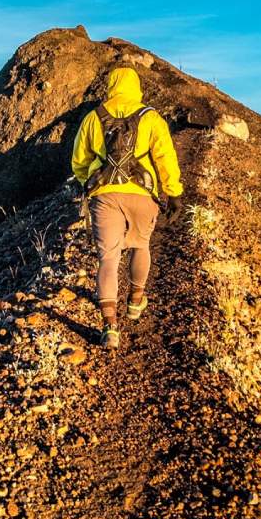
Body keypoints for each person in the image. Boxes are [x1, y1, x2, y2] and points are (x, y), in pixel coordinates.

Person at [71, 67, 184, 349]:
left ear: (110, 86)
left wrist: (89, 182)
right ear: (137, 87)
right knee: (140, 245)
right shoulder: (151, 117)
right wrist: (173, 192)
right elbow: (165, 156)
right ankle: (135, 301)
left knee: (108, 258)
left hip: (105, 195)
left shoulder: (93, 117)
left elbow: (79, 161)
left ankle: (110, 327)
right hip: (142, 194)